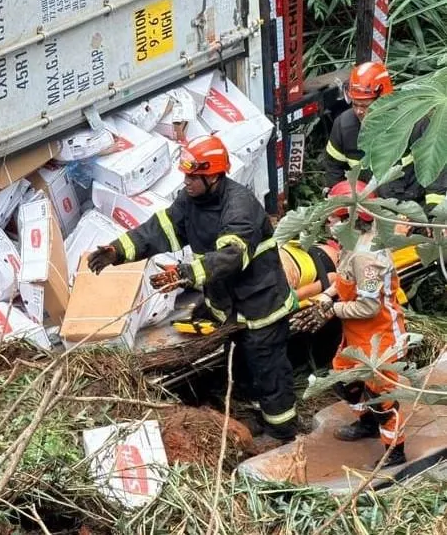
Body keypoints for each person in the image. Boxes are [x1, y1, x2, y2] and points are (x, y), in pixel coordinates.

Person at [87, 135, 298, 441]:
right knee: (242, 367)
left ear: (212, 176)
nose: (185, 182)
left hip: (261, 306)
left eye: (192, 176)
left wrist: (185, 274)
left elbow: (231, 257)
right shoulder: (191, 201)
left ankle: (282, 431)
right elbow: (159, 230)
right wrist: (117, 251)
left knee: (269, 370)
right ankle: (257, 417)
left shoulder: (240, 207)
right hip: (231, 307)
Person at [290, 181, 409, 468]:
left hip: (380, 339)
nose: (328, 223)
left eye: (333, 217)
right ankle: (367, 422)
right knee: (344, 380)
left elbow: (369, 306)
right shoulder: (350, 245)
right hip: (357, 335)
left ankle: (395, 451)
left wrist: (332, 309)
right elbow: (343, 282)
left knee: (384, 398)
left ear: (351, 219)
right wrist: (326, 298)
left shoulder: (369, 259)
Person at [324, 61, 437, 209]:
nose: (358, 111)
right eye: (355, 104)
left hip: (409, 206)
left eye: (365, 106)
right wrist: (337, 207)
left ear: (384, 101)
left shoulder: (415, 124)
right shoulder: (343, 126)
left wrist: (431, 218)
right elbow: (334, 171)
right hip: (365, 207)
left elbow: (436, 181)